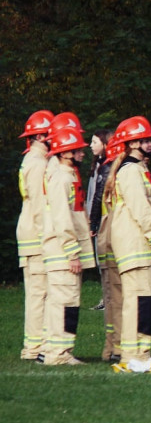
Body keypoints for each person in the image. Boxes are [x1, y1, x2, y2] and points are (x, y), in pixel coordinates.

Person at [105, 116, 151, 371]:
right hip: (136, 244)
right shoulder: (131, 171)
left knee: (137, 300)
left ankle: (133, 354)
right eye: (144, 140)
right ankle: (137, 355)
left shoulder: (134, 169)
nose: (149, 144)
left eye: (149, 139)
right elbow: (141, 210)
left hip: (135, 244)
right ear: (132, 144)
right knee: (141, 300)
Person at [38, 114, 96, 366]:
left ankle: (54, 350)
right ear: (65, 153)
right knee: (66, 301)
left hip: (59, 250)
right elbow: (63, 218)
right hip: (63, 252)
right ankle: (60, 354)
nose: (82, 152)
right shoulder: (62, 178)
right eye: (76, 149)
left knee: (59, 301)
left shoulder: (66, 175)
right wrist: (73, 252)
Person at [16, 110, 54, 361]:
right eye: (51, 133)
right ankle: (36, 348)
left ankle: (33, 347)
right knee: (40, 294)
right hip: (36, 238)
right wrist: (49, 239)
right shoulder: (38, 164)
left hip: (30, 235)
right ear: (40, 136)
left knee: (36, 294)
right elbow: (41, 207)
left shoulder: (32, 160)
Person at [96, 129, 126, 362]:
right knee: (117, 296)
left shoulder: (106, 169)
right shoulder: (117, 172)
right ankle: (117, 348)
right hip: (114, 238)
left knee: (112, 295)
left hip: (106, 238)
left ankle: (111, 347)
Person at [86, 129, 113, 310]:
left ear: (105, 144)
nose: (90, 145)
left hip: (104, 219)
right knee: (101, 259)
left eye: (95, 142)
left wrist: (93, 222)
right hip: (96, 217)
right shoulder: (97, 166)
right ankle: (107, 297)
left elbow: (98, 196)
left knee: (106, 260)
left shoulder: (108, 167)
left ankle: (109, 298)